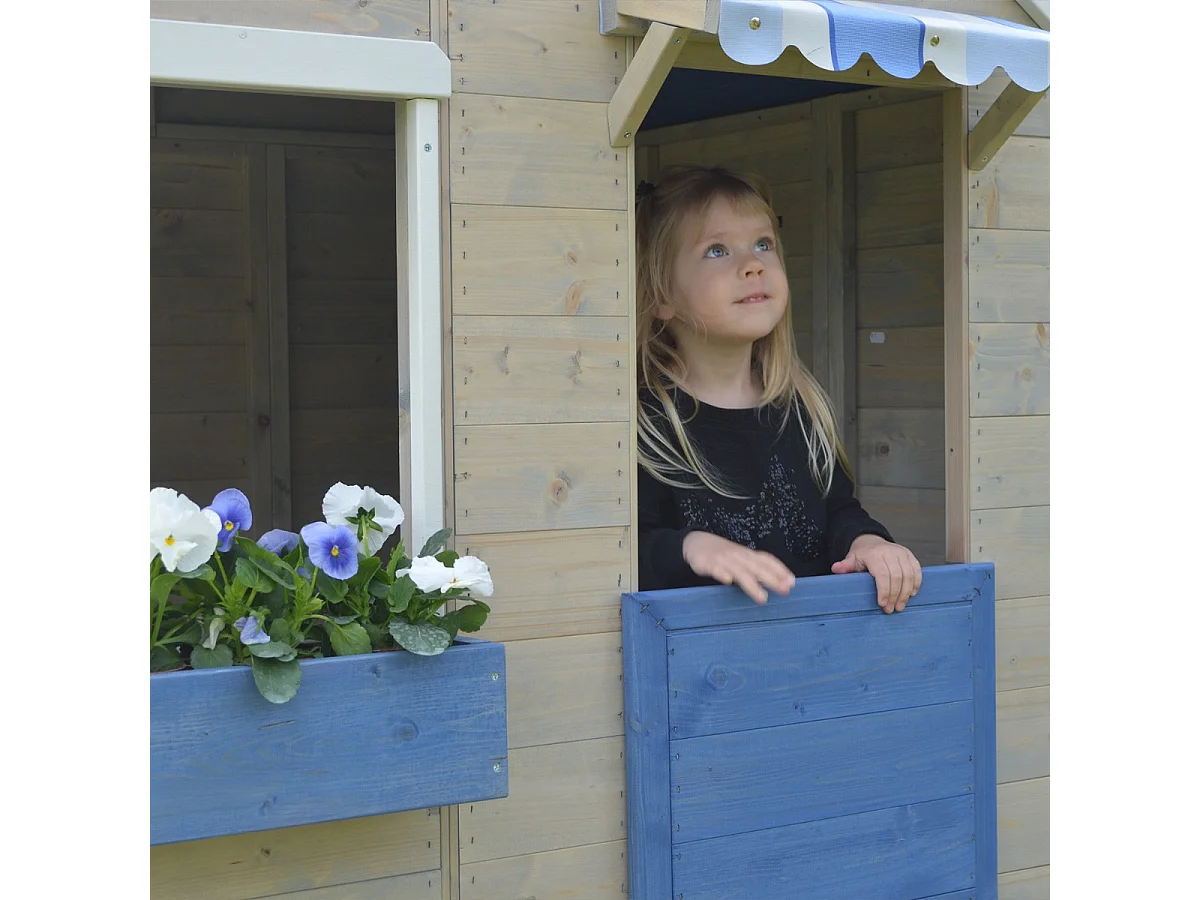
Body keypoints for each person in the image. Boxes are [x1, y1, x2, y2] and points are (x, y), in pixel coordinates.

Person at [635, 165, 922, 613]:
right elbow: (628, 553)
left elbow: (837, 514)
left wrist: (867, 542)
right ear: (660, 296)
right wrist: (692, 548)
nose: (752, 265)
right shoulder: (645, 423)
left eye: (763, 245)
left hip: (808, 658)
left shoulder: (802, 408)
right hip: (695, 669)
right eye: (716, 250)